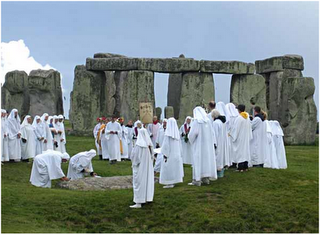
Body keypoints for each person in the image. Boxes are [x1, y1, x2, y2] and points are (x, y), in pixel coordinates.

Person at [188, 107, 217, 186]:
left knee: (198, 161)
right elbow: (212, 133)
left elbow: (192, 134)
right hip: (207, 146)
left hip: (199, 145)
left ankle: (197, 180)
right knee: (206, 161)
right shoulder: (208, 121)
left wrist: (191, 140)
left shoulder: (197, 122)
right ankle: (205, 178)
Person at [130, 128, 154, 208]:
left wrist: (133, 161)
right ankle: (147, 198)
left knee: (139, 183)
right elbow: (152, 156)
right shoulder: (149, 146)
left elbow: (136, 159)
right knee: (146, 182)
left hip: (140, 168)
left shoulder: (139, 146)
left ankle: (139, 201)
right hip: (147, 168)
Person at [159, 118, 184, 188]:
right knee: (175, 168)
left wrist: (164, 153)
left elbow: (166, 146)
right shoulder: (177, 135)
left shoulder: (168, 135)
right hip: (176, 154)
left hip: (170, 155)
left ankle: (169, 182)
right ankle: (175, 180)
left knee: (168, 168)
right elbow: (180, 145)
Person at [229, 104, 252, 172]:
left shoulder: (239, 118)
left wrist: (231, 134)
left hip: (240, 137)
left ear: (238, 110)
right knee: (245, 151)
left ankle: (240, 167)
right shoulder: (247, 117)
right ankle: (245, 166)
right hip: (246, 136)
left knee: (240, 152)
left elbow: (236, 128)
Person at [211, 110, 227, 175]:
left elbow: (215, 134)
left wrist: (214, 143)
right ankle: (221, 172)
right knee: (220, 157)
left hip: (217, 142)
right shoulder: (221, 122)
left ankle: (217, 172)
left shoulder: (215, 123)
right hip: (221, 141)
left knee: (217, 157)